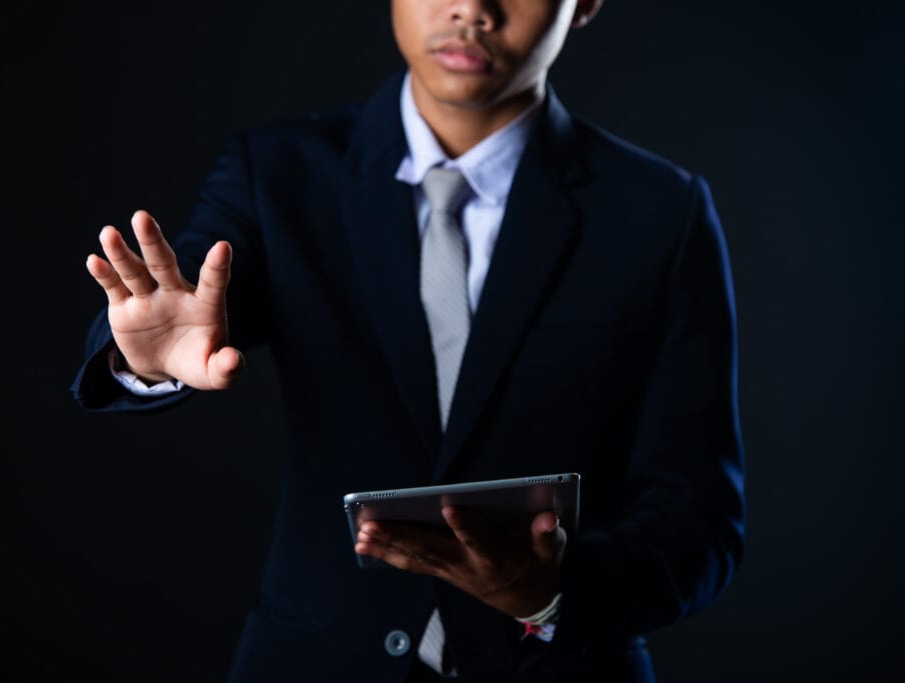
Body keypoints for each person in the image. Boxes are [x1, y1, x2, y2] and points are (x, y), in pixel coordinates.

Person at [71, 0, 746, 680]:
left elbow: (701, 520)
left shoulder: (661, 212)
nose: (471, 9)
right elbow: (186, 298)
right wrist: (144, 359)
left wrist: (552, 592)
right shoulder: (277, 172)